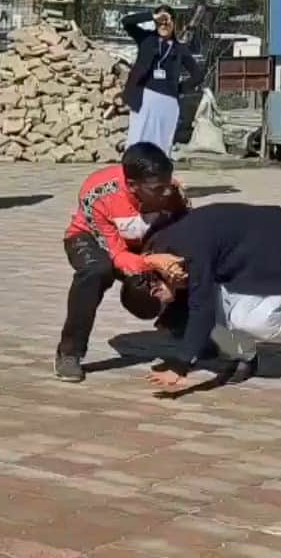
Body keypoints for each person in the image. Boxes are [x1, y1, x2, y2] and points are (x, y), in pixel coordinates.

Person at [121, 203, 281, 392]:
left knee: (250, 320)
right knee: (218, 319)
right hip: (232, 256)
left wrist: (180, 367)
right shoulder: (159, 260)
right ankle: (245, 358)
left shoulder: (188, 256)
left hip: (267, 243)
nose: (167, 304)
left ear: (155, 290)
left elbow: (201, 310)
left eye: (162, 304)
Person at [55, 142, 189, 383]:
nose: (166, 193)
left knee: (179, 269)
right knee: (97, 271)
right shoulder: (98, 192)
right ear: (132, 186)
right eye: (157, 189)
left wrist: (169, 269)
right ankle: (69, 353)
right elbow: (117, 255)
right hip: (93, 239)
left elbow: (188, 237)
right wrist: (152, 261)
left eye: (168, 185)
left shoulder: (174, 195)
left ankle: (187, 331)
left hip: (143, 243)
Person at [121, 5, 203, 156]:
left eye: (168, 21)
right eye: (161, 21)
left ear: (174, 23)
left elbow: (198, 75)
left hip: (168, 103)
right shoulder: (146, 39)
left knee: (161, 146)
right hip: (144, 100)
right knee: (137, 140)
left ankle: (158, 176)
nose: (164, 24)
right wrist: (152, 16)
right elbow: (126, 21)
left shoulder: (179, 49)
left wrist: (178, 89)